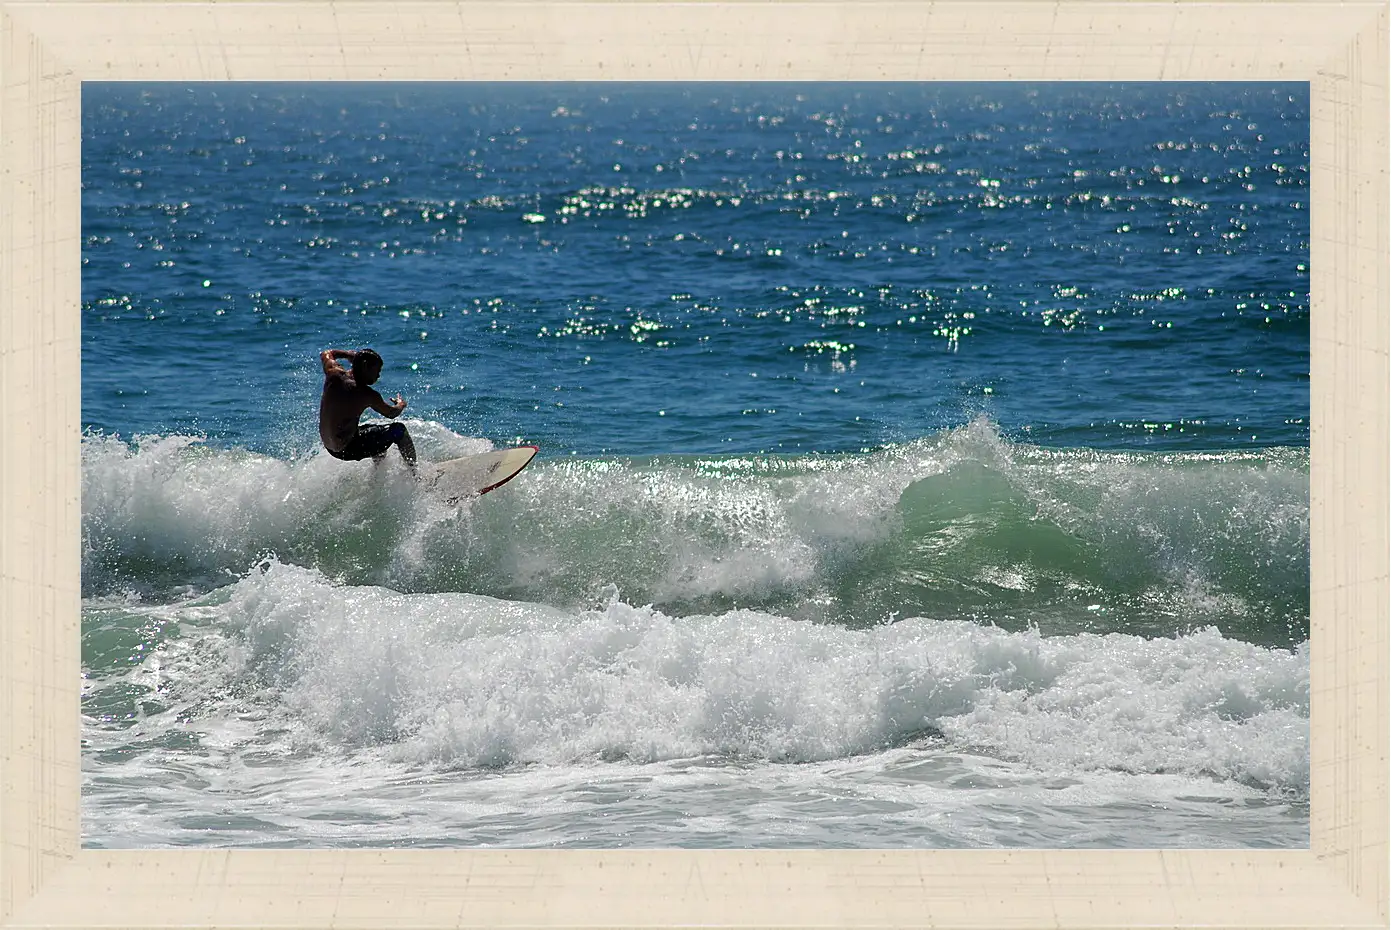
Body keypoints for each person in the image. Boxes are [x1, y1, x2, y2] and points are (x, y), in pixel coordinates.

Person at [318, 347, 417, 471]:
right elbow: (392, 413)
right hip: (347, 449)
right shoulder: (367, 394)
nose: (378, 376)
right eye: (377, 371)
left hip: (329, 446)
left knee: (375, 432)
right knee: (399, 430)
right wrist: (401, 404)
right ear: (365, 367)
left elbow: (327, 353)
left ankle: (378, 474)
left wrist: (349, 355)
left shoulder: (334, 373)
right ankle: (415, 475)